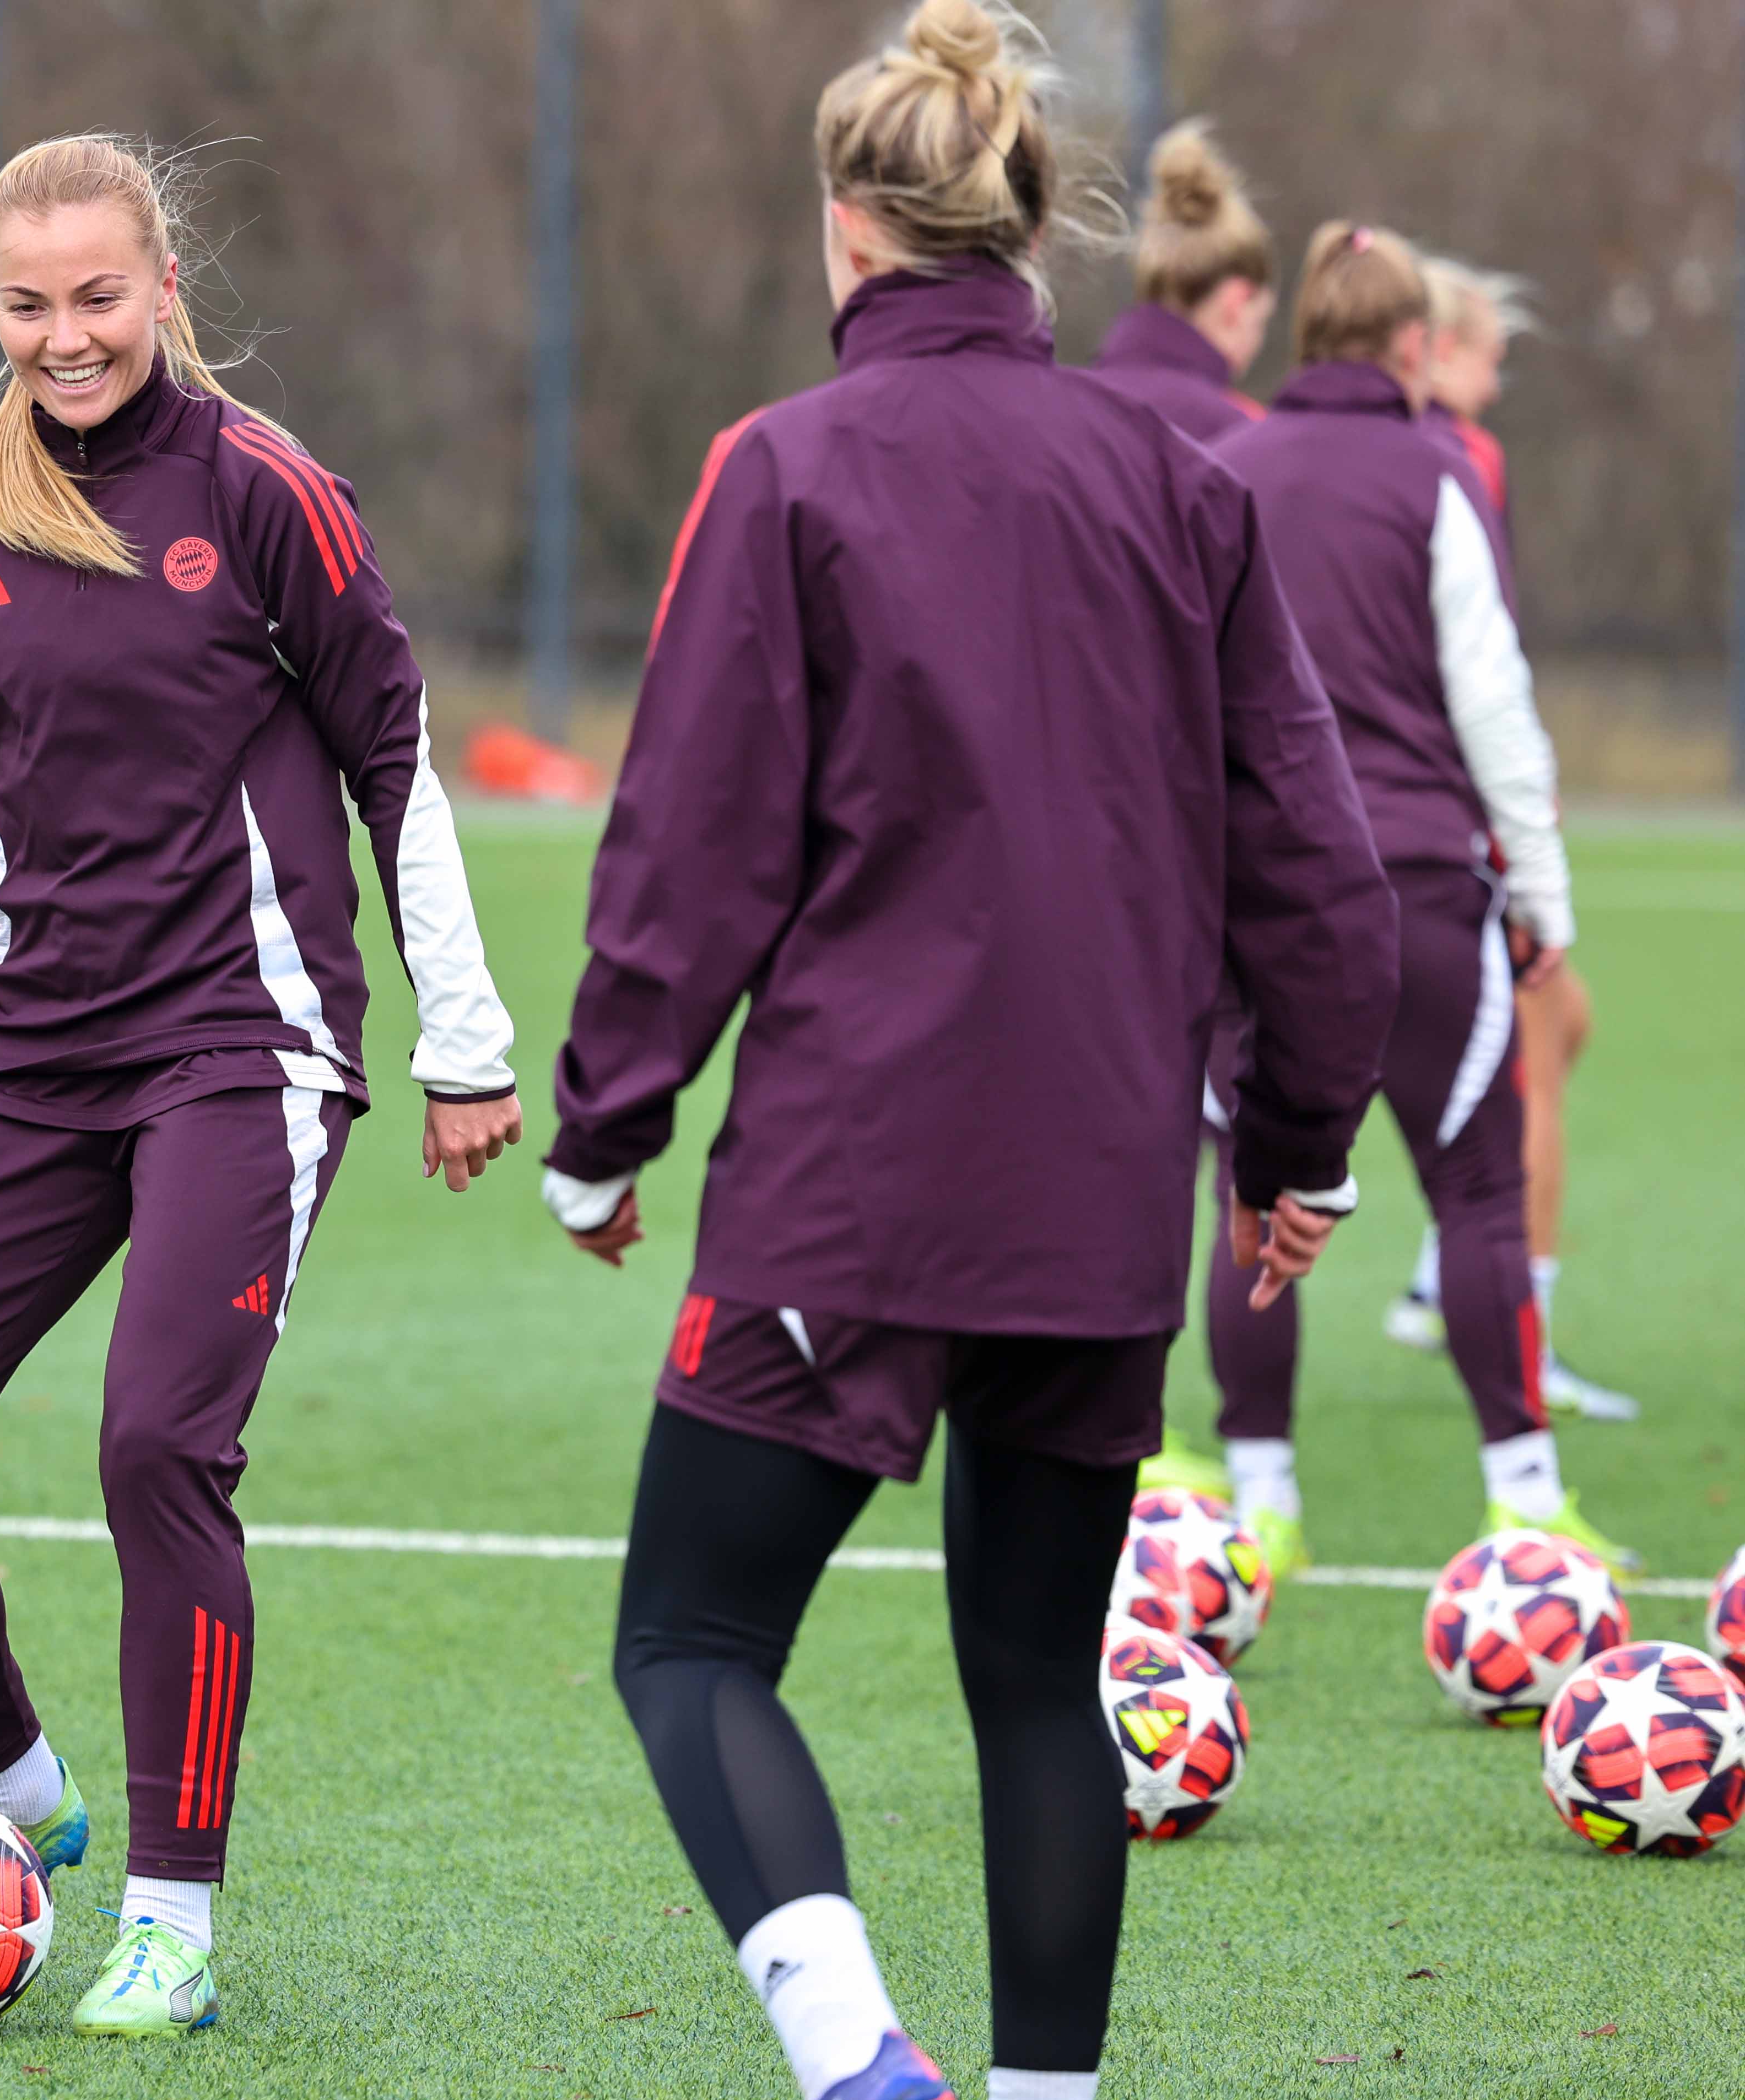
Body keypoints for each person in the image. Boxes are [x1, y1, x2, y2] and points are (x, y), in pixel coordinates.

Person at [539, 7, 1398, 2098]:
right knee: (1034, 1676)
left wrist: (604, 1121)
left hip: (854, 1173)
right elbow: (1324, 873)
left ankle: (856, 2060)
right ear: (1034, 238)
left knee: (692, 1641)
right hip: (1099, 1188)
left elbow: (691, 838)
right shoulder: (1174, 478)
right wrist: (1293, 1148)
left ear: (846, 226)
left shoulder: (787, 465)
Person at [0, 132, 525, 2038]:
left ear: (162, 287)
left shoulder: (265, 494)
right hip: (30, 1048)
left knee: (152, 1449)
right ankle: (15, 1792)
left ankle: (170, 1917)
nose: (66, 334)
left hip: (237, 1045)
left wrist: (462, 1039)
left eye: (98, 296)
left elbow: (396, 764)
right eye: (28, 304)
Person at [1180, 224, 1630, 1568]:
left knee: (1249, 1198)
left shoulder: (1224, 465)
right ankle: (1527, 1501)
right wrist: (1540, 893)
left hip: (1255, 901)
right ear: (1414, 343)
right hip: (1420, 886)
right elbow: (1495, 704)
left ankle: (1260, 1504)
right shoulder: (1437, 471)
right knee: (1479, 1193)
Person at [1379, 258, 1637, 1421]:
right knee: (1530, 1045)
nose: (1497, 376)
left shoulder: (1368, 451)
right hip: (1445, 817)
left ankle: (1443, 1277)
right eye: (1488, 352)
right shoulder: (1452, 458)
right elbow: (1475, 658)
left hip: (1401, 813)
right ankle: (1504, 1313)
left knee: (1551, 1025)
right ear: (1432, 351)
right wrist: (1514, 809)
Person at [1088, 121, 1276, 444]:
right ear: (1236, 302)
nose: (1255, 347)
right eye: (1260, 322)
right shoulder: (1242, 433)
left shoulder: (1073, 403)